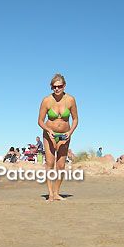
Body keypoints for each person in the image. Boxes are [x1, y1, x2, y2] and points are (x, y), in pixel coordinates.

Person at [37, 73, 79, 201]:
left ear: (64, 86)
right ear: (51, 87)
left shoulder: (70, 100)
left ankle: (56, 193)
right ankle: (50, 194)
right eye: (54, 87)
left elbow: (75, 119)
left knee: (60, 166)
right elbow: (40, 120)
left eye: (59, 86)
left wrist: (70, 132)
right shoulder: (46, 100)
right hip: (50, 135)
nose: (57, 89)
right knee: (50, 163)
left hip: (64, 136)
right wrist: (48, 130)